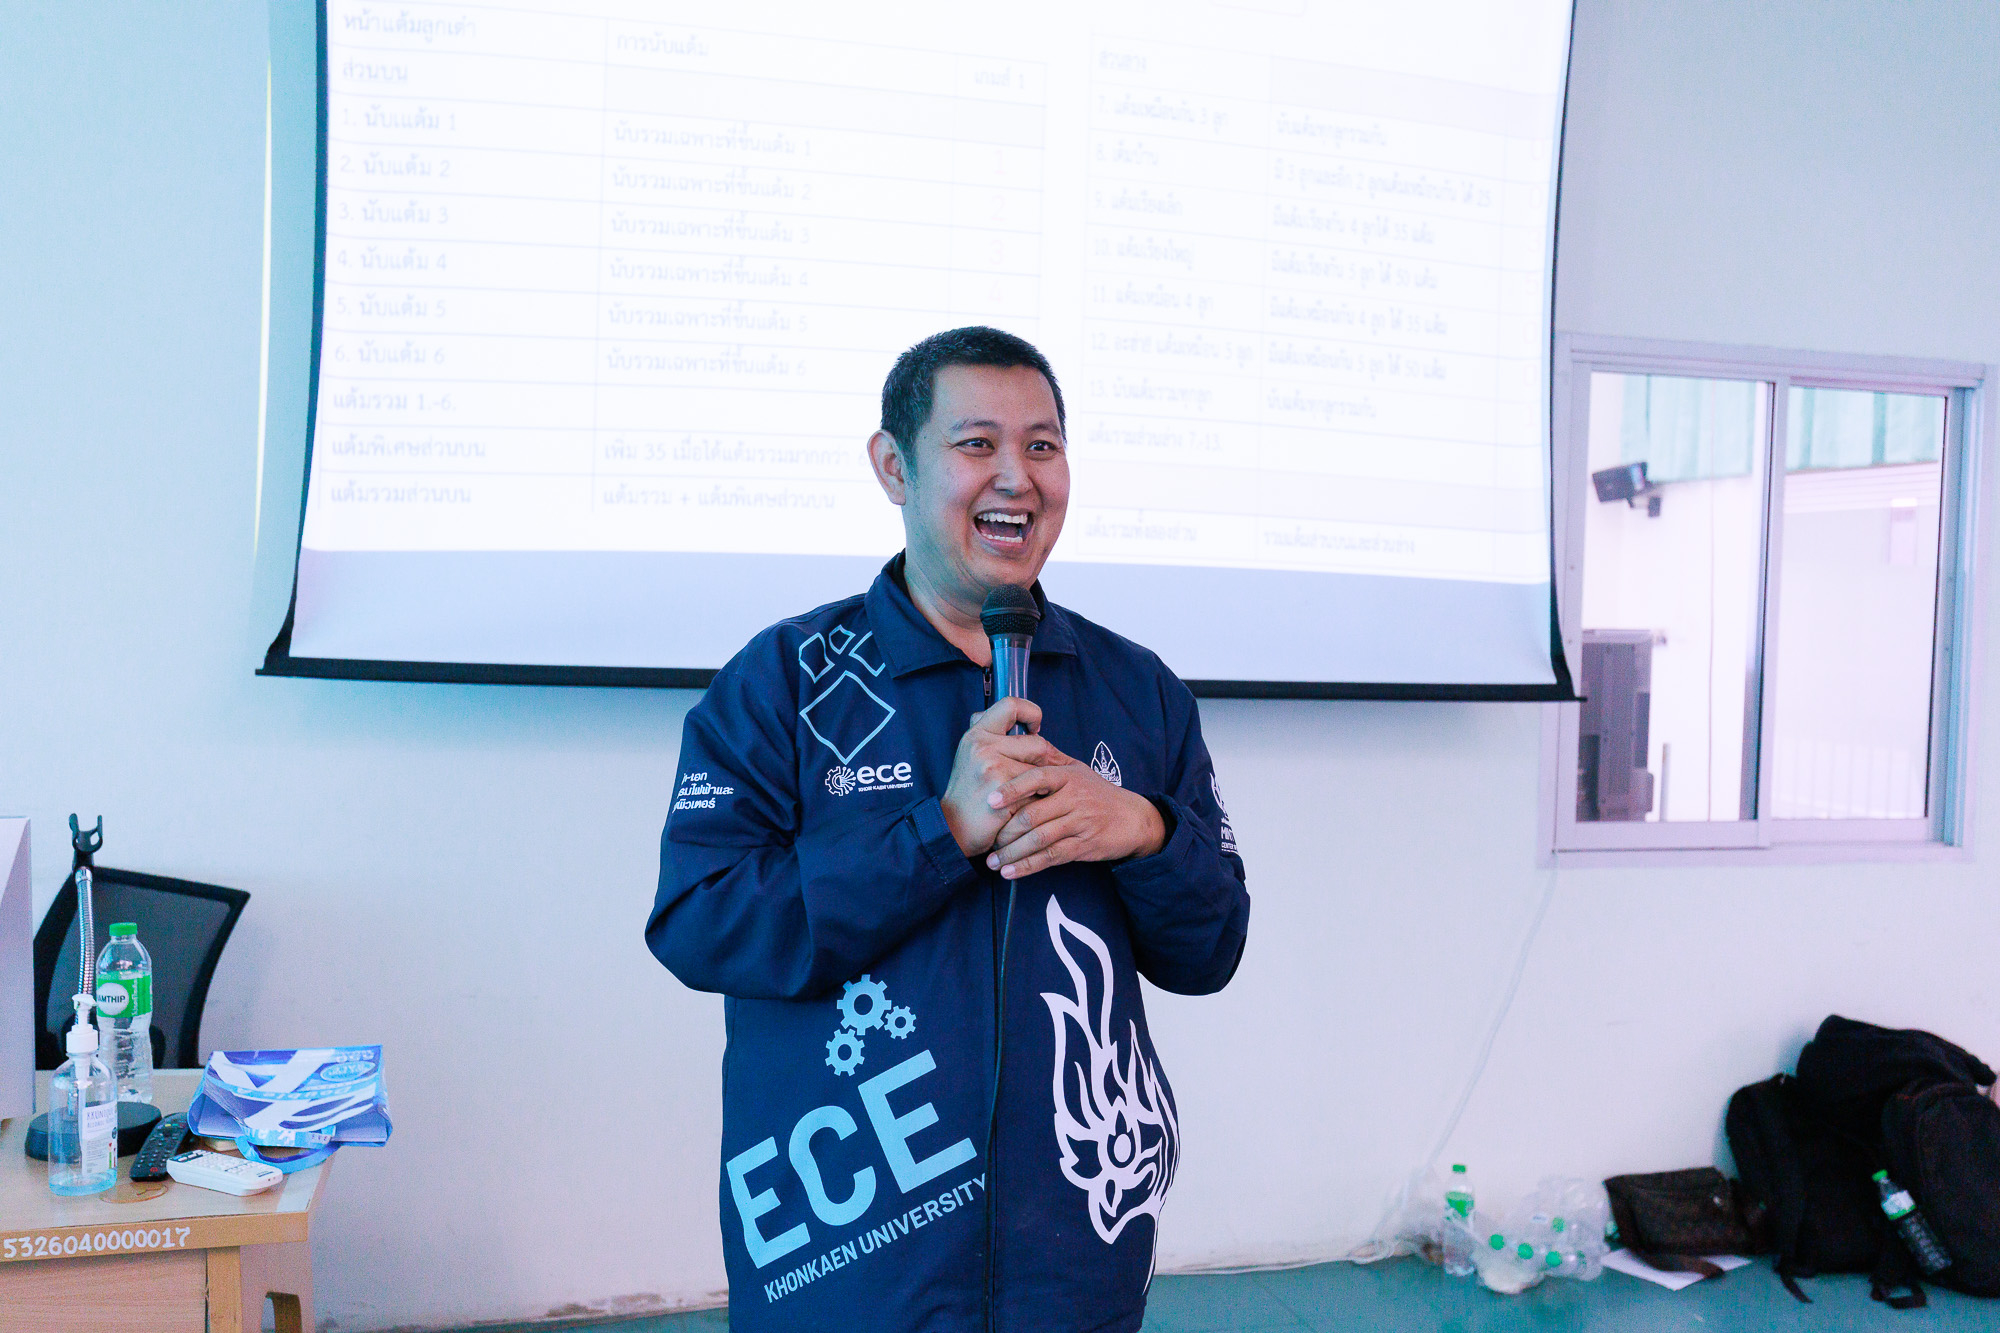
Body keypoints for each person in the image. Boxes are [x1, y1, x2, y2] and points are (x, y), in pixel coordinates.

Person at [646, 327, 1250, 1333]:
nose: (1016, 477)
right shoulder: (785, 681)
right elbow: (700, 923)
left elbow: (1210, 949)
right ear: (894, 466)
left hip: (1076, 1262)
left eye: (1043, 446)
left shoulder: (1137, 689)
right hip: (847, 1257)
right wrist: (940, 832)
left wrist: (1145, 830)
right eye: (976, 444)